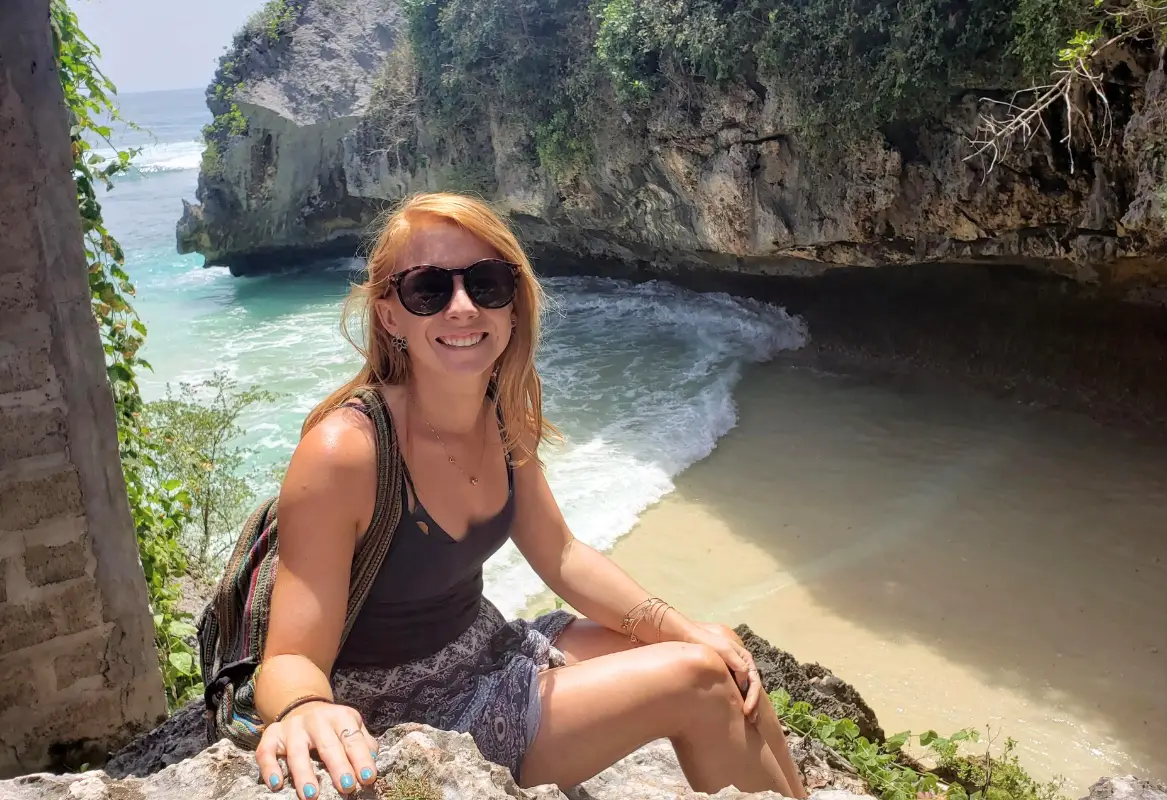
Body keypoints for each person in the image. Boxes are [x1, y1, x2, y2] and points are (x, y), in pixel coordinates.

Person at [252, 192, 808, 800]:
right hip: (408, 711)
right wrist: (304, 708)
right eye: (429, 290)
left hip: (488, 646)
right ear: (390, 316)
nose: (462, 308)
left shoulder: (499, 413)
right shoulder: (348, 451)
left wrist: (681, 625)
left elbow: (561, 553)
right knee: (698, 679)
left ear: (513, 302)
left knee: (719, 657)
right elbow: (289, 656)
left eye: (487, 283)